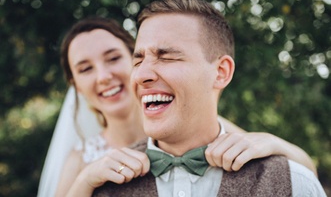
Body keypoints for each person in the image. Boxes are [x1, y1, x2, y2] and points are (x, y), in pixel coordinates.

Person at [38, 16, 317, 197]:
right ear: (76, 86)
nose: (103, 76)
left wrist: (270, 141)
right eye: (85, 69)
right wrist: (86, 180)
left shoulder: (203, 126)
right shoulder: (80, 160)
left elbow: (301, 176)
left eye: (113, 59)